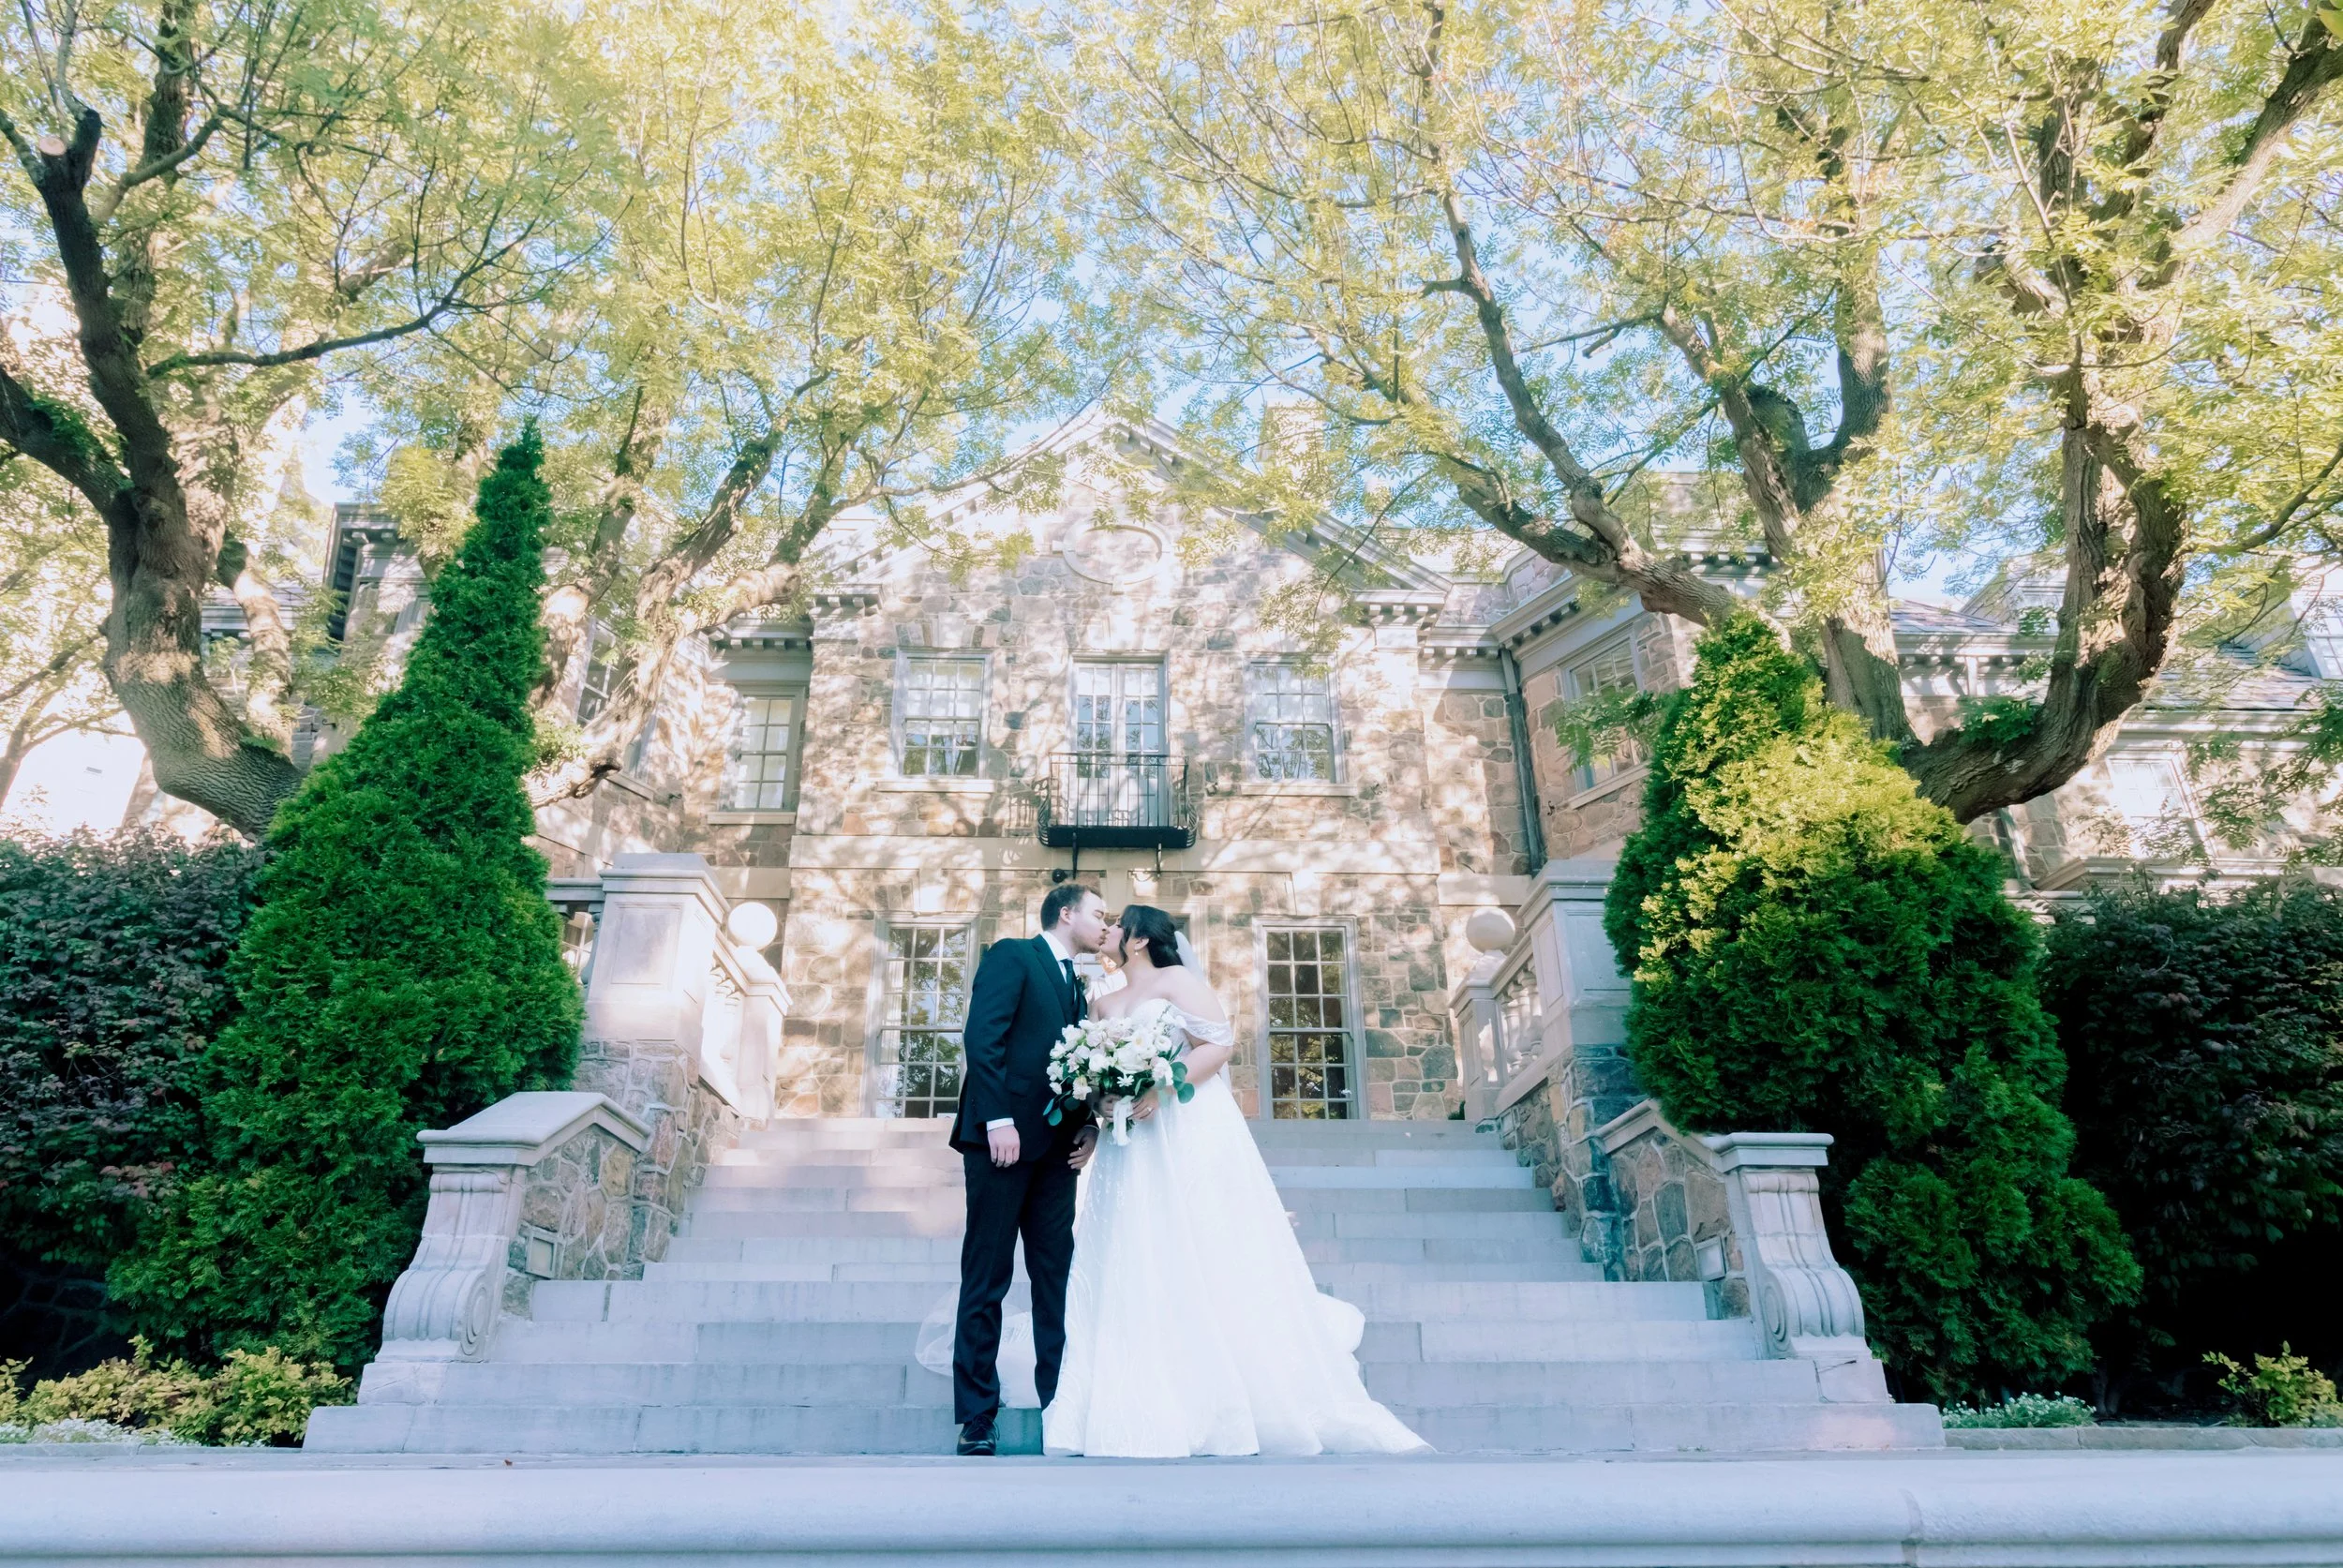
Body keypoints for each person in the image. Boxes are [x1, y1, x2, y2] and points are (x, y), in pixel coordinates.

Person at [1039, 904, 1429, 1457]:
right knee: (1136, 1250)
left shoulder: (1177, 981)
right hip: (1131, 1145)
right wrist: (1105, 1103)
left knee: (1202, 1240)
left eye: (1119, 923)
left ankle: (1224, 1387)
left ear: (1140, 940)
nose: (1110, 929)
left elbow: (1218, 1045)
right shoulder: (1100, 999)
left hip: (1181, 1122)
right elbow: (1100, 1075)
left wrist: (1162, 1088)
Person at [945, 882, 1106, 1457]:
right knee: (987, 1275)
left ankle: (1058, 1403)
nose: (1104, 922)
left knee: (1054, 1279)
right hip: (1001, 1144)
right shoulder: (1013, 955)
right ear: (1067, 914)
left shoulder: (1078, 986)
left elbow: (1081, 1066)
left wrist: (1089, 1125)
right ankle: (976, 1417)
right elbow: (982, 1039)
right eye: (1097, 912)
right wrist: (997, 1121)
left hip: (1058, 1152)